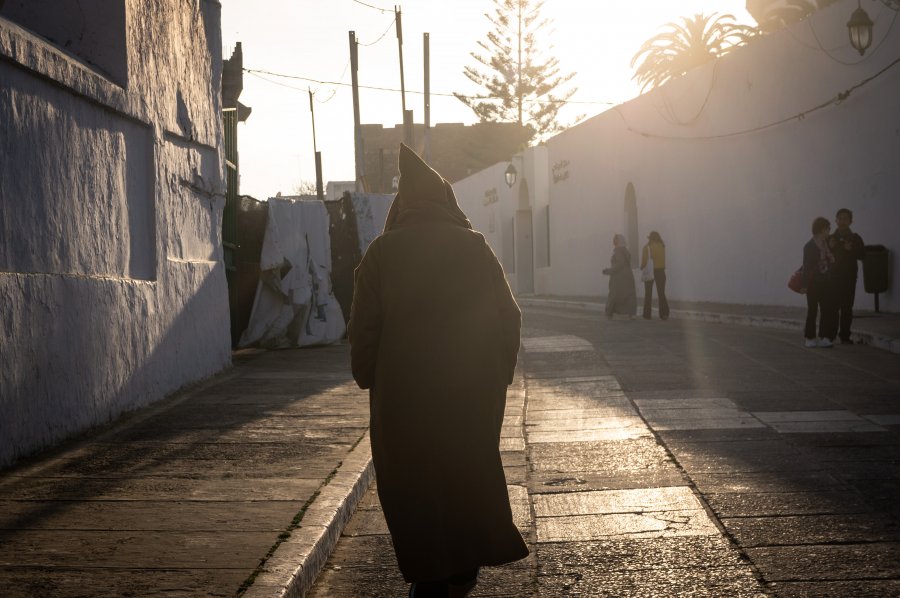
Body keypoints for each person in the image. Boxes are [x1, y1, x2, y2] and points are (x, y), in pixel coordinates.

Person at [348, 144, 528, 598]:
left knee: (417, 495)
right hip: (468, 402)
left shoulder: (382, 254)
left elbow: (362, 333)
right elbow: (509, 318)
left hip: (403, 407)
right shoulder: (474, 246)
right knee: (466, 487)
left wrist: (371, 377)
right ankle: (460, 576)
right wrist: (496, 378)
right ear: (446, 201)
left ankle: (430, 582)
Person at [828, 208, 865, 344]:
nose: (843, 221)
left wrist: (852, 249)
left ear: (851, 221)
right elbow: (822, 257)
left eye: (846, 218)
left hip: (849, 278)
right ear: (836, 220)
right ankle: (830, 335)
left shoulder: (855, 238)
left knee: (847, 307)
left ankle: (844, 336)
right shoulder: (830, 238)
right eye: (840, 218)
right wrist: (830, 247)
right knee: (832, 307)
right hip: (833, 278)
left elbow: (863, 255)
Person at [802, 216, 836, 348]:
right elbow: (806, 266)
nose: (829, 231)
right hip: (813, 283)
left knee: (826, 310)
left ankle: (824, 337)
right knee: (813, 310)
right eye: (828, 229)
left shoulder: (825, 244)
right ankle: (809, 337)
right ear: (822, 229)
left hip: (825, 282)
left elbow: (830, 262)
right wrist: (805, 285)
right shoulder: (809, 246)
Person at [602, 234, 637, 319]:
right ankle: (631, 313)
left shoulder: (618, 250)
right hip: (628, 276)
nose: (613, 240)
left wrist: (608, 271)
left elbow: (619, 264)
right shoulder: (625, 250)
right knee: (629, 295)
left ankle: (609, 313)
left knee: (613, 294)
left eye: (615, 239)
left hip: (618, 278)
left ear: (618, 241)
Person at [640, 231, 669, 320]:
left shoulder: (646, 247)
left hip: (650, 271)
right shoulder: (662, 246)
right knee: (661, 293)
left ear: (650, 238)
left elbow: (644, 262)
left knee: (648, 293)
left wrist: (641, 267)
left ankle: (647, 314)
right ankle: (664, 314)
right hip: (661, 271)